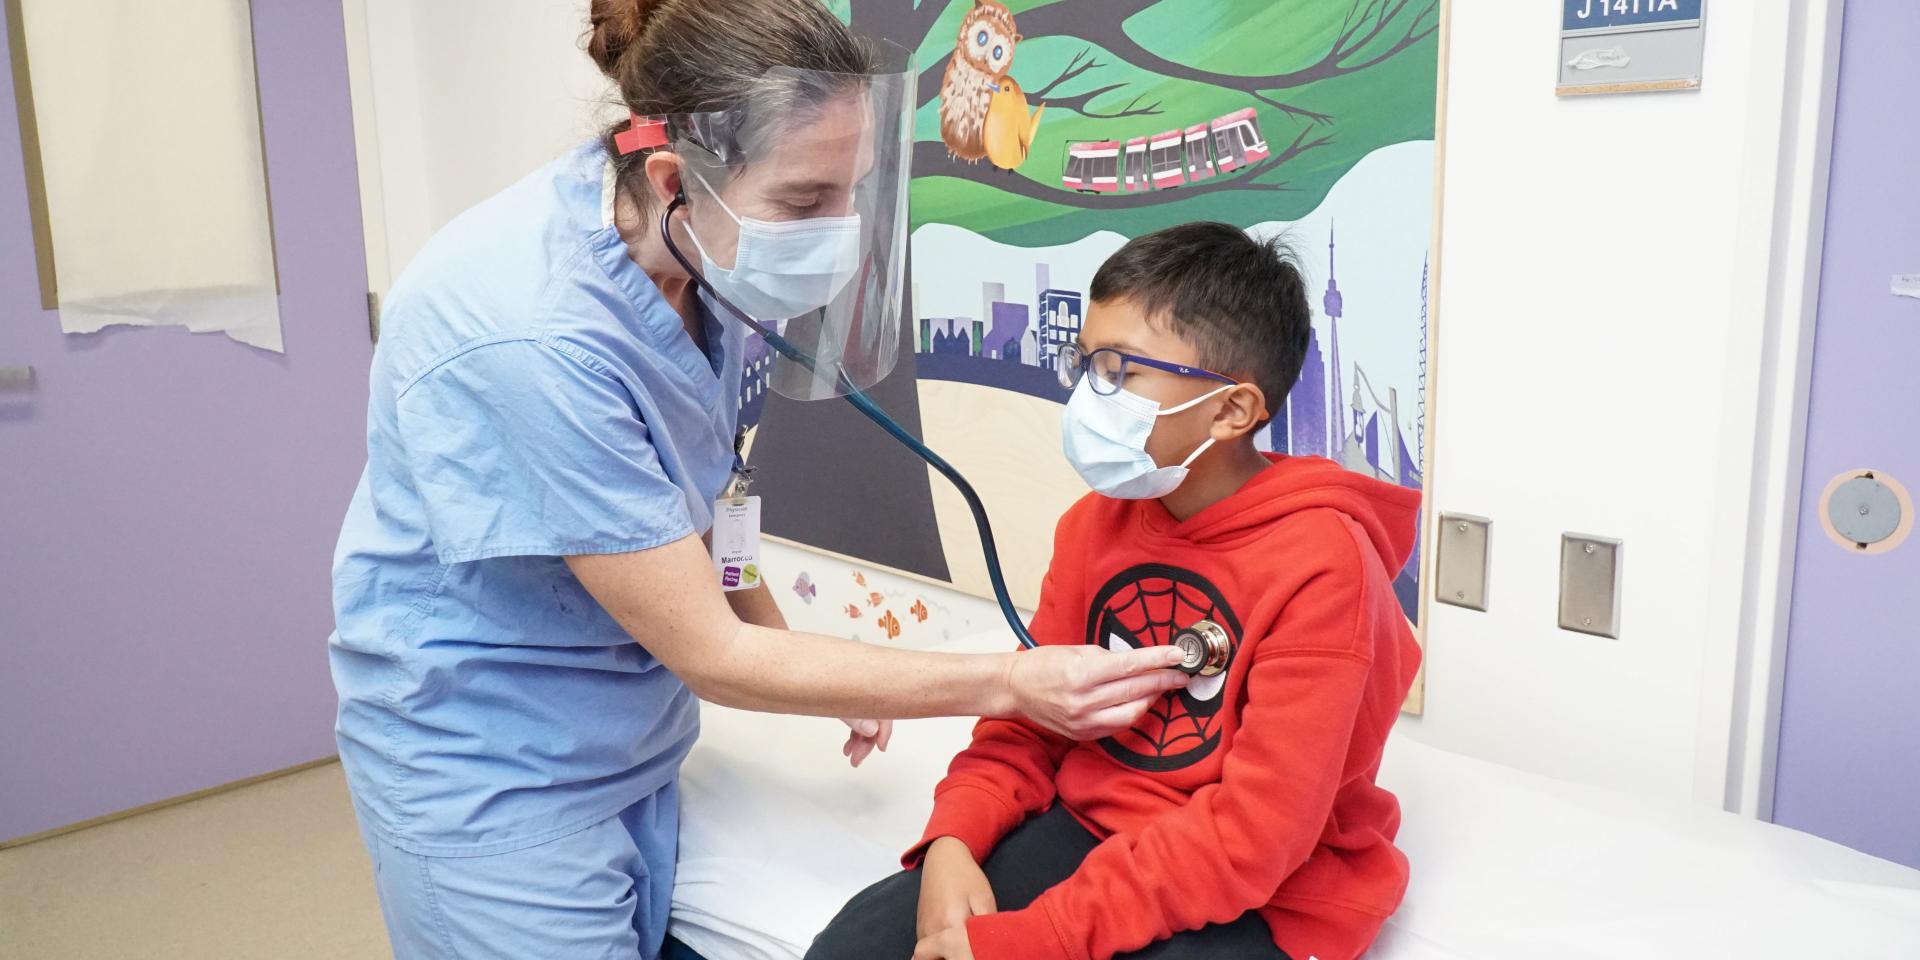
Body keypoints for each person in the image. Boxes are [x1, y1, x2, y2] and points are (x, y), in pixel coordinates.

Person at [326, 2, 1187, 958]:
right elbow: (708, 650)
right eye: (804, 200)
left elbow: (691, 506)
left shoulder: (697, 256)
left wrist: (795, 645)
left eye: (853, 191)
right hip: (490, 760)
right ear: (673, 180)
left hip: (625, 740)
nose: (841, 231)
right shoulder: (532, 335)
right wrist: (1009, 682)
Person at [806, 223, 1425, 960]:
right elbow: (1028, 716)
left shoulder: (1324, 566)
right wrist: (952, 839)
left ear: (1232, 411)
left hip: (1271, 887)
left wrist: (1044, 936)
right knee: (854, 945)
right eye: (1084, 365)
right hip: (1093, 827)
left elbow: (1257, 835)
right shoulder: (1095, 524)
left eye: (1118, 372)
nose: (1085, 396)